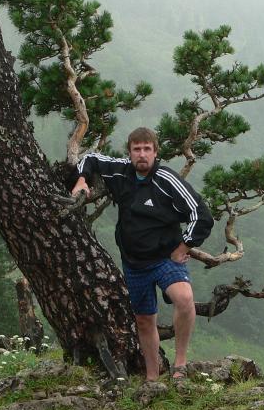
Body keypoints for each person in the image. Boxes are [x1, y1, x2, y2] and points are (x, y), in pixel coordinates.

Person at [71, 127, 213, 381]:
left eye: (147, 149)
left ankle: (180, 364)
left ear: (155, 153)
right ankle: (152, 378)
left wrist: (183, 247)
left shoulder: (166, 179)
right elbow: (90, 158)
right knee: (145, 319)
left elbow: (201, 214)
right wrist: (82, 180)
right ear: (130, 152)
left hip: (165, 258)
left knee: (184, 298)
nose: (142, 154)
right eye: (137, 149)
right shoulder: (120, 171)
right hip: (134, 262)